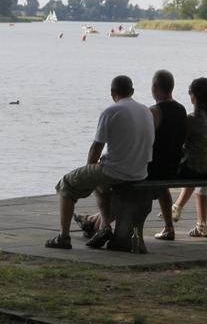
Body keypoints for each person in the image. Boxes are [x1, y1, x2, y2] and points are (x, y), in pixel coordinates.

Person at [46, 74, 154, 249]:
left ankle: (63, 237)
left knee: (66, 183)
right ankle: (104, 226)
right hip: (140, 171)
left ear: (113, 92)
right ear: (132, 91)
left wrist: (88, 171)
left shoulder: (111, 111)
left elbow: (96, 147)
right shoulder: (146, 111)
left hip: (116, 171)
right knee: (101, 185)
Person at [169, 76, 207, 237]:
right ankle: (199, 224)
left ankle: (170, 220)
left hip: (197, 169)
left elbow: (178, 145)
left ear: (193, 95)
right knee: (198, 165)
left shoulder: (192, 119)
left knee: (173, 169)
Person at [147, 69, 188, 240]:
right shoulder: (181, 109)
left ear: (155, 87)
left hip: (153, 168)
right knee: (163, 188)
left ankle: (98, 222)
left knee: (124, 184)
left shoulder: (154, 111)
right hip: (173, 166)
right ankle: (169, 227)